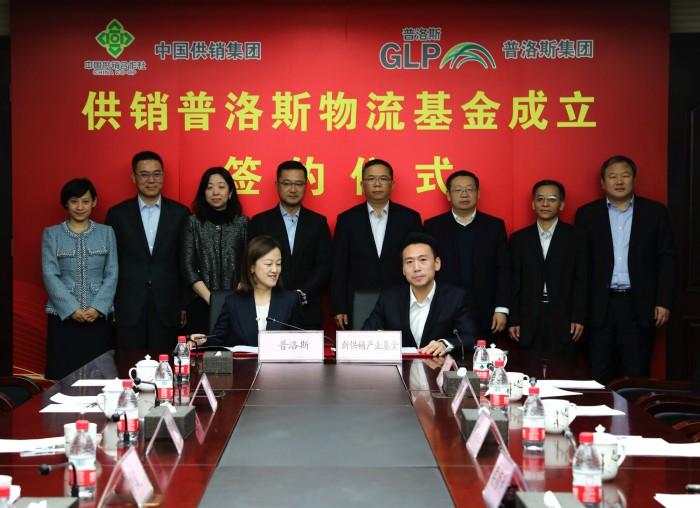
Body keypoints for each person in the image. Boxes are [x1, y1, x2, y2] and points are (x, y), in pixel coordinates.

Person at [575, 155, 677, 383]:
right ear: (603, 183)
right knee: (599, 375)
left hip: (638, 306)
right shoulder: (587, 214)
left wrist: (664, 301)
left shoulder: (655, 212)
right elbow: (580, 266)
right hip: (600, 307)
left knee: (637, 374)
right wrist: (579, 311)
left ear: (635, 180)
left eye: (625, 175)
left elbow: (667, 259)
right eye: (613, 176)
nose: (619, 181)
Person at [105, 151, 190, 352]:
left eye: (156, 174)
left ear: (163, 176)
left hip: (168, 305)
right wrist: (111, 304)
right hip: (128, 304)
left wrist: (184, 304)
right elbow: (110, 262)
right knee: (129, 364)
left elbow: (185, 261)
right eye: (144, 174)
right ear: (133, 177)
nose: (151, 180)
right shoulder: (117, 214)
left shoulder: (180, 213)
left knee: (166, 364)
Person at [331, 159, 422, 330]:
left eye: (383, 179)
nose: (377, 184)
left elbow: (419, 262)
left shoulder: (410, 218)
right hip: (358, 299)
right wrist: (339, 306)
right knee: (362, 345)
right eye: (371, 179)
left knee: (400, 345)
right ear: (362, 184)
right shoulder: (347, 219)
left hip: (401, 298)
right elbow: (339, 266)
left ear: (392, 184)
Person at [41, 178, 118, 379]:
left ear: (94, 202)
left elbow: (112, 272)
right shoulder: (52, 234)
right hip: (63, 318)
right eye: (74, 201)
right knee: (62, 376)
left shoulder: (106, 232)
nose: (80, 207)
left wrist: (98, 307)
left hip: (97, 317)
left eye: (85, 201)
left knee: (100, 376)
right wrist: (71, 308)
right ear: (66, 204)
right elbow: (50, 274)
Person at [508, 180, 589, 364]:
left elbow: (582, 280)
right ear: (533, 204)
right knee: (528, 371)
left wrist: (579, 317)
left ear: (562, 204)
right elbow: (514, 282)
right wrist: (514, 319)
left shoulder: (577, 236)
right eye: (540, 199)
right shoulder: (519, 239)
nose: (545, 204)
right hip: (528, 319)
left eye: (552, 199)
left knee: (564, 372)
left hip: (564, 318)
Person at [424, 170, 510, 339]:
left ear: (478, 193)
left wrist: (501, 309)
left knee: (483, 354)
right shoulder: (432, 227)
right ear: (448, 195)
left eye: (469, 189)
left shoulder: (495, 226)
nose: (464, 194)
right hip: (443, 309)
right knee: (441, 353)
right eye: (458, 190)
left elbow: (504, 269)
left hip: (486, 311)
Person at [362, 232, 476, 357]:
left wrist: (445, 344)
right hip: (400, 367)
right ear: (403, 269)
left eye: (423, 260)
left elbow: (470, 337)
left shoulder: (456, 298)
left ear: (437, 263)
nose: (416, 268)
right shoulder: (389, 298)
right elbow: (365, 334)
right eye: (409, 262)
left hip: (438, 366)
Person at [248, 160, 331, 330]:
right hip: (269, 307)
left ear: (305, 186)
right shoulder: (260, 222)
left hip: (308, 309)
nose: (293, 189)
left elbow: (324, 264)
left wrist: (303, 292)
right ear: (277, 185)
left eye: (298, 184)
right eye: (287, 183)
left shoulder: (318, 222)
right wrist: (280, 294)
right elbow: (253, 262)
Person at [192, 235, 302, 347]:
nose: (275, 270)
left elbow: (300, 343)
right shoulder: (233, 302)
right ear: (252, 266)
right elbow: (217, 339)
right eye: (269, 264)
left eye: (278, 264)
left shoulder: (291, 300)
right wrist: (201, 341)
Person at [182, 167, 248, 333]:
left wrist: (234, 298)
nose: (215, 192)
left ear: (230, 192)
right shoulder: (193, 223)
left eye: (221, 187)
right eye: (209, 187)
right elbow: (187, 266)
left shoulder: (243, 223)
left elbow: (249, 263)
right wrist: (211, 299)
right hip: (200, 302)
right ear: (203, 192)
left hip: (237, 303)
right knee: (202, 347)